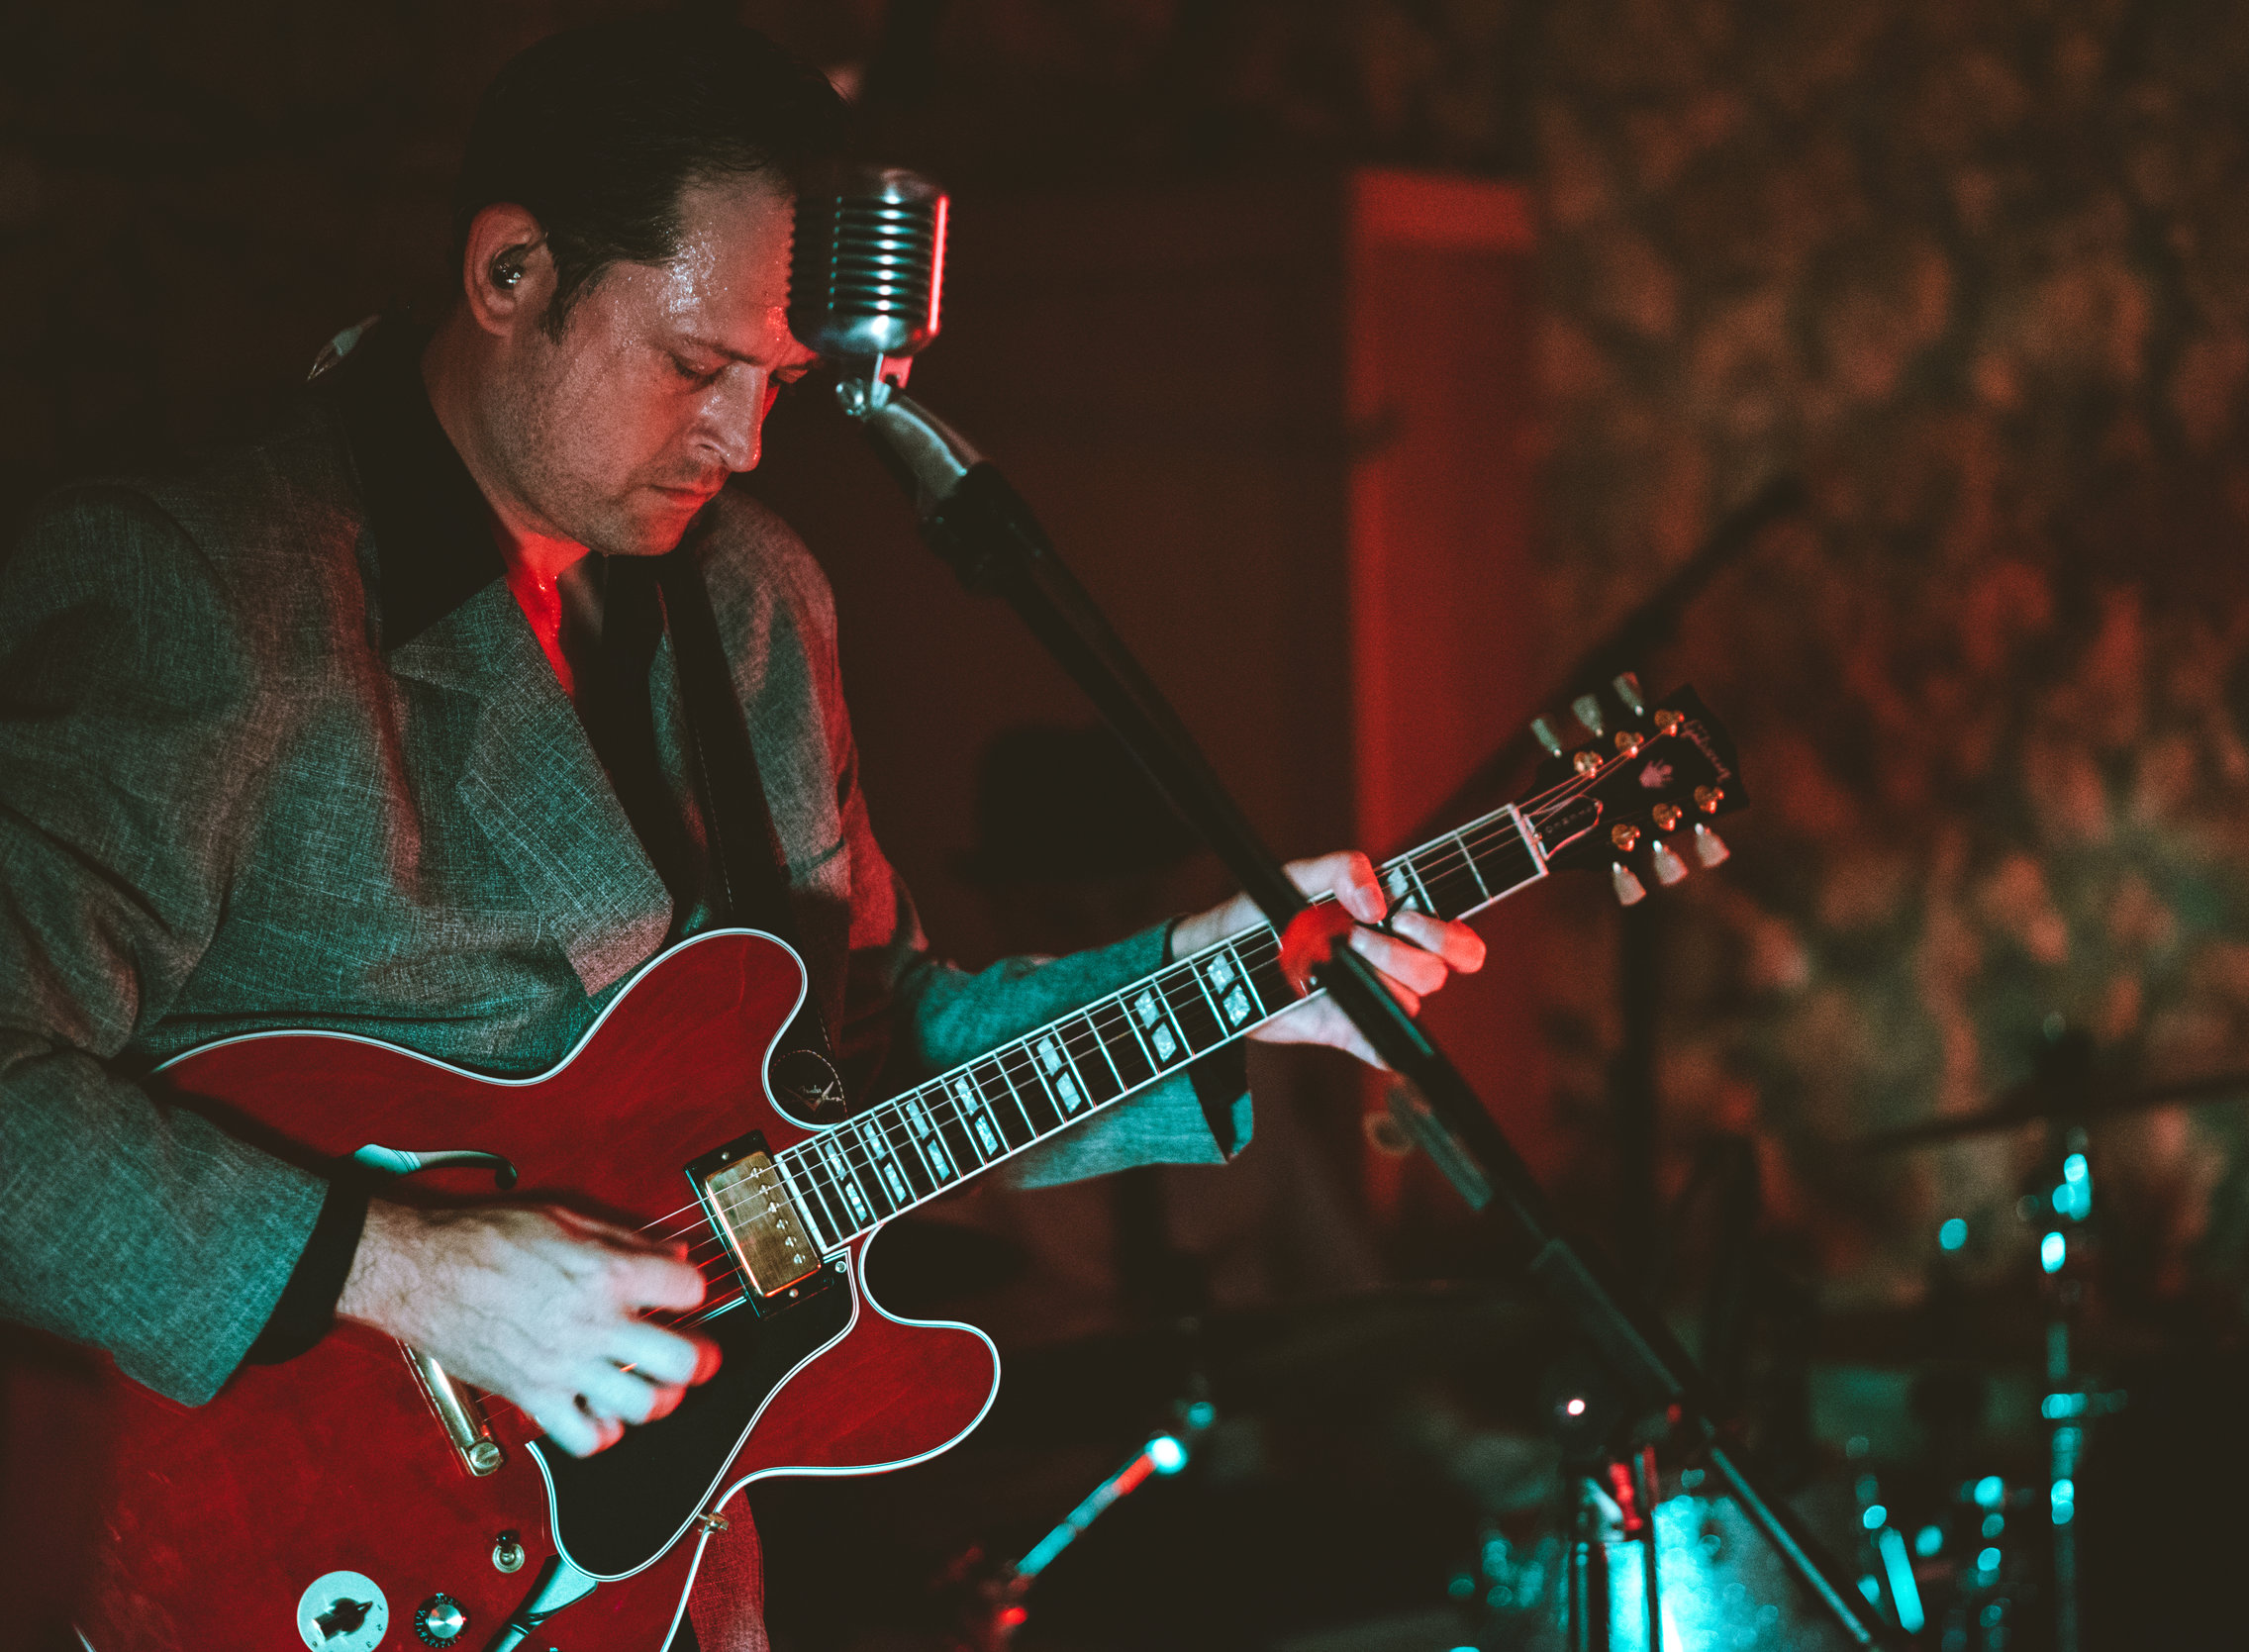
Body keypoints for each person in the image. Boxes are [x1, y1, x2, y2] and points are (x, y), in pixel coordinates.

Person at [0, 17, 1481, 1651]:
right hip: (254, 1548)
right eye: (700, 364)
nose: (744, 438)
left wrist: (1227, 982)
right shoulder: (208, 593)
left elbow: (869, 1056)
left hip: (671, 1585)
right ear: (512, 275)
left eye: (778, 381)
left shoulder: (759, 600)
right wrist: (406, 1269)